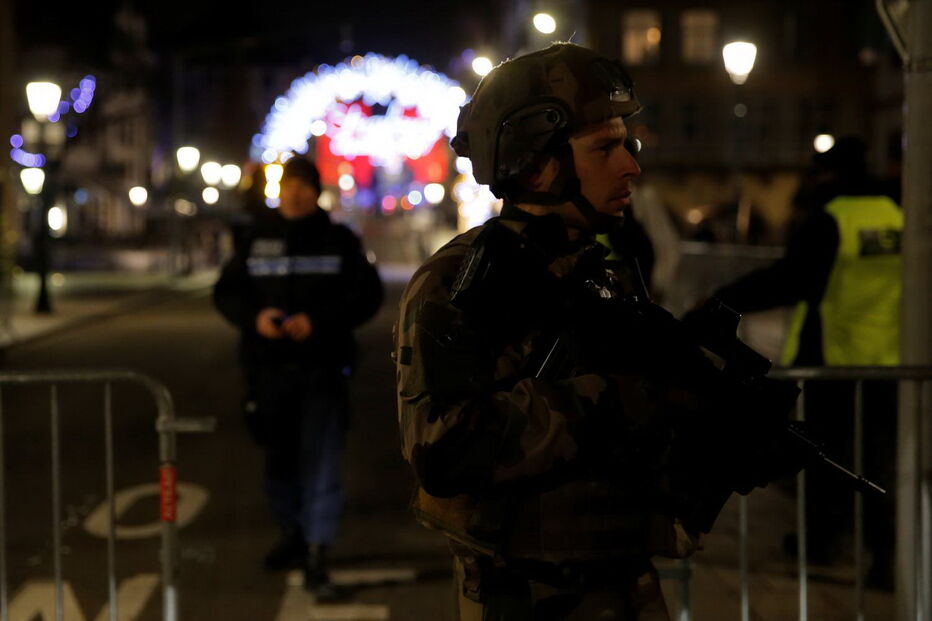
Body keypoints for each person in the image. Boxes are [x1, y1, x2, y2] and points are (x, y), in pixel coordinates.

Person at [394, 43, 798, 620]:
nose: (631, 165)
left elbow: (633, 446)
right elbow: (445, 447)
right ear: (537, 161)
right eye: (606, 148)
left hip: (622, 580)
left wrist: (719, 435)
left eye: (626, 144)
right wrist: (621, 396)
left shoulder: (595, 268)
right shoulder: (460, 282)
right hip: (530, 597)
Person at [703, 136, 902, 587]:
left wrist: (720, 303)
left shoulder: (832, 220)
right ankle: (887, 554)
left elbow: (788, 279)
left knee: (821, 458)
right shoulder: (896, 216)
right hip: (889, 362)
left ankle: (823, 542)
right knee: (879, 464)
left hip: (835, 358)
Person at [214, 156, 383, 599]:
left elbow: (367, 295)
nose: (295, 194)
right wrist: (256, 318)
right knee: (279, 458)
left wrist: (319, 321)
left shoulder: (339, 240)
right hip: (267, 371)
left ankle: (315, 551)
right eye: (289, 185)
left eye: (305, 186)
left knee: (322, 460)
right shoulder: (255, 238)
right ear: (279, 189)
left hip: (322, 368)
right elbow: (227, 292)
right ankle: (291, 532)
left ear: (317, 192)